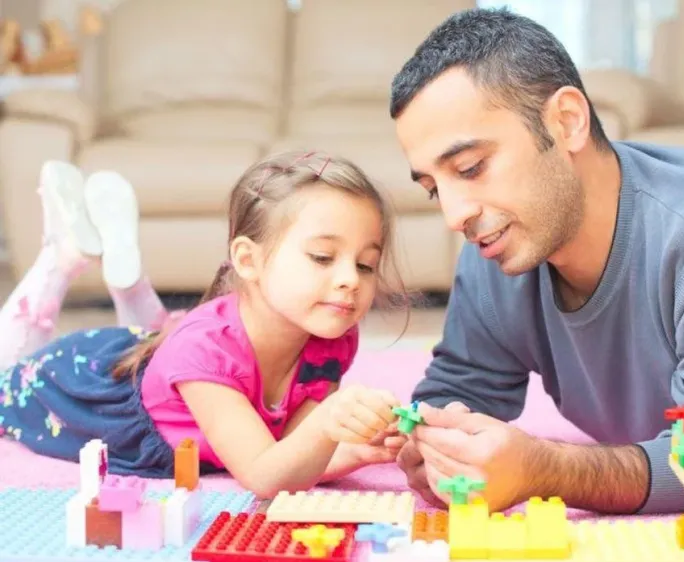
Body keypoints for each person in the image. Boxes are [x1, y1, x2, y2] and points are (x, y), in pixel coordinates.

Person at [388, 8, 684, 515]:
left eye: (470, 168)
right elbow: (463, 386)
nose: (454, 214)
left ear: (567, 122)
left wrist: (545, 470)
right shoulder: (496, 243)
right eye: (433, 189)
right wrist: (432, 444)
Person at [0, 152, 408, 497]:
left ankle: (127, 286)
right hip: (71, 386)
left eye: (365, 264)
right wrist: (331, 417)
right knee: (5, 379)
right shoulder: (204, 355)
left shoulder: (329, 338)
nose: (351, 280)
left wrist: (354, 446)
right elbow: (264, 473)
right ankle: (60, 257)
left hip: (166, 361)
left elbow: (291, 449)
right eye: (322, 257)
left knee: (168, 340)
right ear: (248, 260)